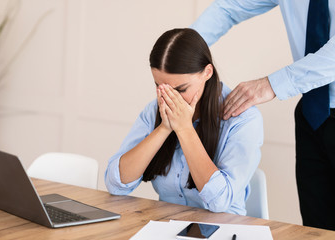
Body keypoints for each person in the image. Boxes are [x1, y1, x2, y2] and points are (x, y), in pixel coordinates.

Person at [191, 0, 335, 230]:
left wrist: (271, 84)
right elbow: (228, 8)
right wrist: (181, 52)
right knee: (315, 229)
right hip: (312, 114)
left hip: (313, 103)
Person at [105, 28, 263, 215]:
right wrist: (164, 128)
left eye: (181, 89)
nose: (170, 98)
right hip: (167, 225)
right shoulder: (153, 111)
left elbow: (220, 202)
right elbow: (116, 185)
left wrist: (184, 129)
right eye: (160, 87)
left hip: (222, 229)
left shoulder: (244, 119)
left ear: (207, 72)